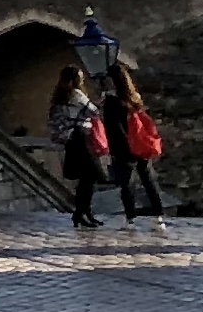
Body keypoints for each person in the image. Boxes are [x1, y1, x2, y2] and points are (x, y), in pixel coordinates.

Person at [110, 66, 169, 232]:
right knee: (149, 181)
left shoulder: (112, 101)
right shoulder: (134, 97)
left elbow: (113, 127)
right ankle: (159, 217)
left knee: (128, 184)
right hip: (141, 145)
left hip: (124, 147)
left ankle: (130, 220)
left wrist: (114, 149)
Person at [49, 72, 110, 231]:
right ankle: (81, 213)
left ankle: (84, 212)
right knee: (90, 176)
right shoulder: (76, 94)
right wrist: (98, 102)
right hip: (81, 138)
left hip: (72, 139)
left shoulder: (61, 96)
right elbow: (93, 111)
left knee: (86, 178)